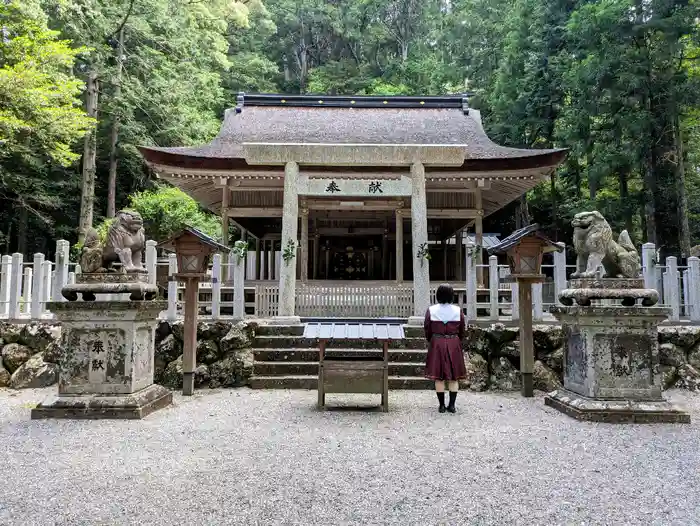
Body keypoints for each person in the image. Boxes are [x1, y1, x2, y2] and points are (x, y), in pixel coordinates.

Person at [424, 283, 467, 413]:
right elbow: (462, 330)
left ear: (438, 295)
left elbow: (427, 328)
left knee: (439, 376)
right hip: (453, 342)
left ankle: (441, 405)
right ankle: (452, 405)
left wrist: (431, 339)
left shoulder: (431, 310)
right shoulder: (457, 310)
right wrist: (457, 339)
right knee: (454, 376)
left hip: (437, 342)